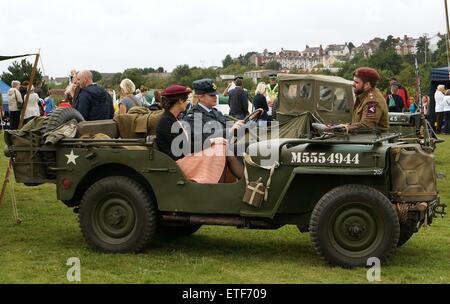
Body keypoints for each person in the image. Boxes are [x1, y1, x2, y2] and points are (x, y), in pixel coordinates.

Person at [343, 67, 389, 133]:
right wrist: (342, 126)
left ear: (367, 85)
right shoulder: (363, 96)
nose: (353, 84)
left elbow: (367, 126)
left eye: (356, 82)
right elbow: (358, 123)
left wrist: (344, 128)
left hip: (371, 141)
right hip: (364, 139)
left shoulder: (372, 102)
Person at [156, 85, 192, 160]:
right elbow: (184, 148)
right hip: (176, 164)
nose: (187, 103)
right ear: (180, 100)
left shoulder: (173, 118)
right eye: (187, 100)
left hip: (182, 159)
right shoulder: (166, 121)